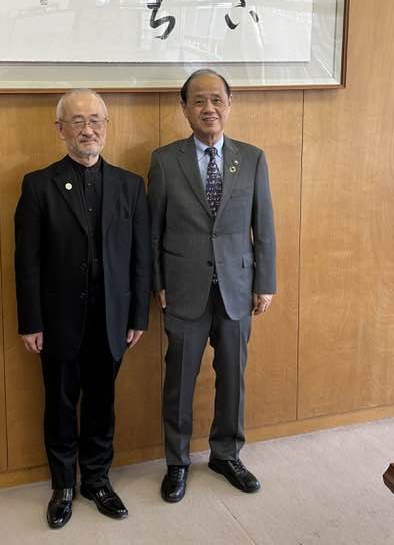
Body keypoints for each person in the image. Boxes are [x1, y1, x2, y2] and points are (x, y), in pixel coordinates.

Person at [15, 89, 150, 529]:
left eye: (95, 120)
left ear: (106, 127)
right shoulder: (39, 185)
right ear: (61, 130)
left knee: (101, 403)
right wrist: (30, 321)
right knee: (59, 403)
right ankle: (63, 485)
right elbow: (27, 261)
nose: (87, 129)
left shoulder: (131, 185)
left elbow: (140, 258)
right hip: (58, 321)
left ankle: (96, 479)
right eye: (77, 121)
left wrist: (138, 315)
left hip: (112, 318)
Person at [147, 69, 276, 503]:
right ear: (184, 108)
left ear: (229, 104)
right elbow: (153, 231)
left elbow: (264, 226)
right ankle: (177, 461)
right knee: (180, 380)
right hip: (184, 288)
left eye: (217, 99)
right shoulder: (165, 161)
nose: (209, 109)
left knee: (233, 377)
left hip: (238, 287)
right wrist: (157, 282)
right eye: (199, 101)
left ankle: (226, 454)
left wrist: (265, 283)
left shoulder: (252, 158)